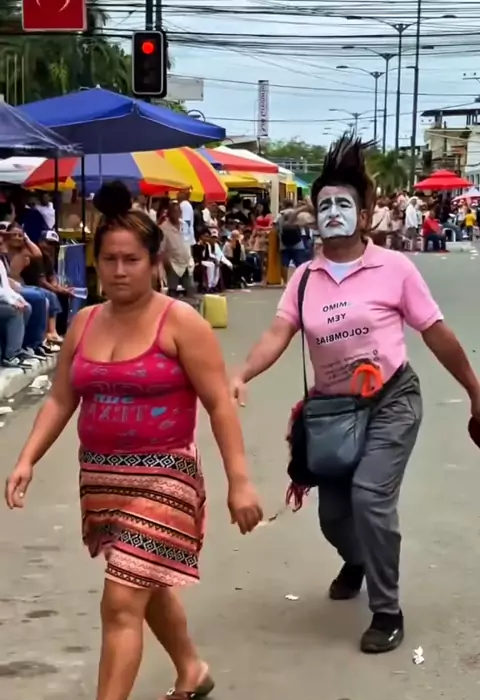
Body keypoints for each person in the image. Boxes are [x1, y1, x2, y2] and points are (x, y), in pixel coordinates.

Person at [5, 180, 263, 700]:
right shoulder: (83, 322)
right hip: (102, 478)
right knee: (145, 582)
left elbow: (219, 404)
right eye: (109, 260)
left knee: (122, 599)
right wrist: (27, 458)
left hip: (165, 476)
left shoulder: (181, 323)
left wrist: (240, 482)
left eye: (131, 260)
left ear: (154, 262)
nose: (119, 271)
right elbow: (61, 398)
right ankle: (192, 670)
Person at [230, 132, 480, 655]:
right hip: (334, 412)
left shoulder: (395, 269)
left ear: (364, 215)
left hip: (392, 400)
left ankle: (387, 610)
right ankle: (359, 559)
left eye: (344, 204)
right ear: (315, 217)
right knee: (334, 517)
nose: (334, 213)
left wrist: (475, 393)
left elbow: (437, 333)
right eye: (325, 206)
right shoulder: (304, 279)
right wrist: (241, 374)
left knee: (370, 496)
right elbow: (277, 335)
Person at [161, 200, 198, 308]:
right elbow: (162, 248)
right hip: (173, 263)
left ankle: (191, 311)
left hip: (186, 261)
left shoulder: (184, 224)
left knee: (190, 288)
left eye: (178, 212)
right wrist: (166, 262)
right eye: (174, 212)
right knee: (172, 291)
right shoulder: (164, 228)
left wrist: (191, 257)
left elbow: (189, 241)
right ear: (169, 213)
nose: (176, 214)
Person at [277, 200, 307, 284]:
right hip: (297, 242)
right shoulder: (297, 215)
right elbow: (302, 226)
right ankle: (301, 280)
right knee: (299, 263)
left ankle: (285, 282)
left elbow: (278, 229)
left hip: (284, 243)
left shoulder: (280, 216)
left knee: (284, 263)